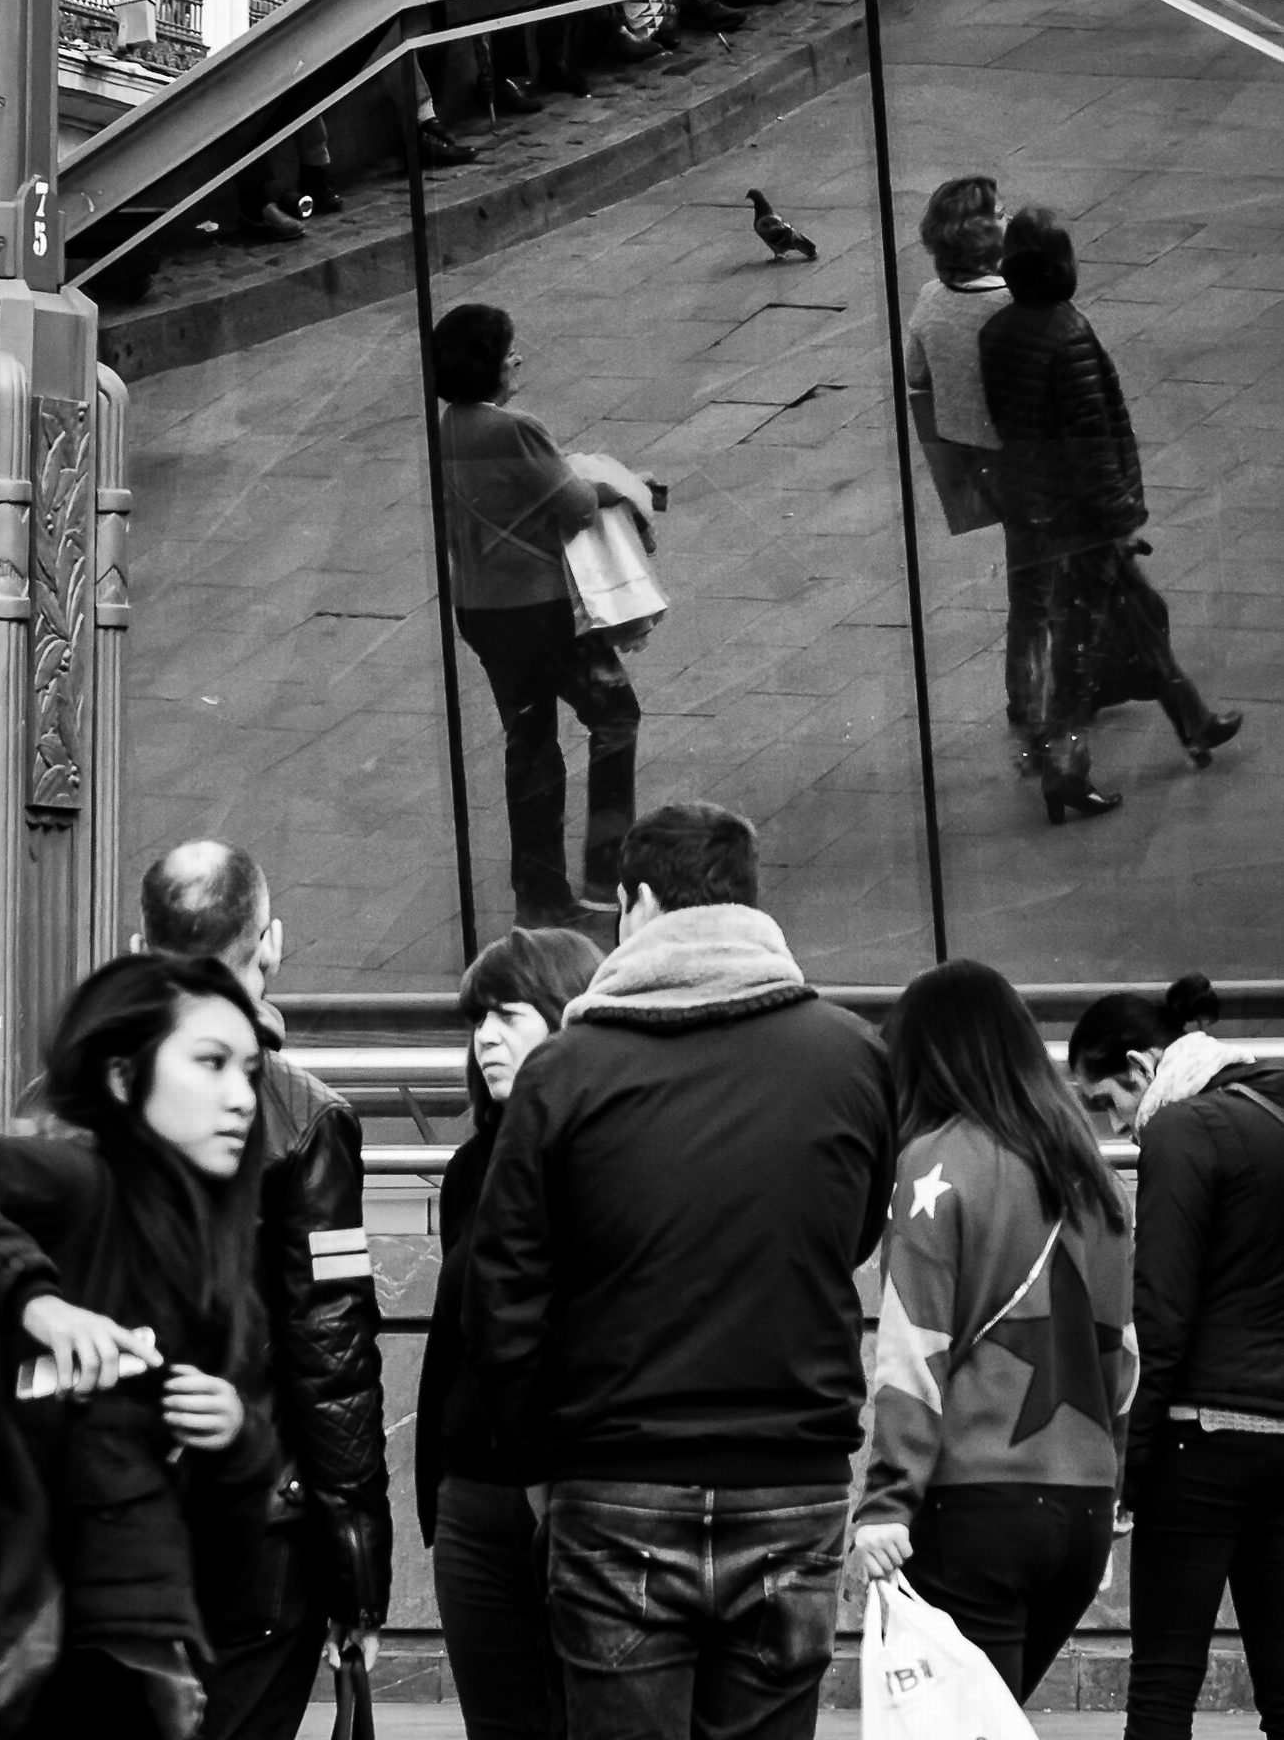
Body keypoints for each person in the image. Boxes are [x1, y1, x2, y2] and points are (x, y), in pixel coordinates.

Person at [463, 801, 897, 1740]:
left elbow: (500, 1294)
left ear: (640, 904)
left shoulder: (567, 1069)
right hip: (794, 1480)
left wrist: (541, 1465)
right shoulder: (853, 1056)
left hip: (616, 1485)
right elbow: (853, 1235)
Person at [0, 951, 277, 1740]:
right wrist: (36, 1300)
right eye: (209, 1063)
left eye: (249, 1071)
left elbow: (232, 1568)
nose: (240, 1098)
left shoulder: (217, 1259)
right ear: (124, 1079)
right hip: (30, 1636)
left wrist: (237, 1436)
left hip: (130, 1639)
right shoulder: (79, 1181)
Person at [138, 841, 392, 1740]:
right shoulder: (304, 1117)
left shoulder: (61, 1099)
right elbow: (333, 1364)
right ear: (270, 944)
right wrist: (358, 1571)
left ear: (141, 944)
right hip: (255, 1543)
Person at [852, 960, 1136, 1705]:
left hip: (973, 1504)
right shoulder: (1092, 1175)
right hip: (1080, 1506)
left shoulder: (934, 1164)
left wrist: (884, 1501)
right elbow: (1123, 1352)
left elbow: (913, 1347)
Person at [979, 209, 1241, 823]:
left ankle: (1193, 718)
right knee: (1077, 649)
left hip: (1032, 508)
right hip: (1082, 520)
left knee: (1142, 611)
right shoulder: (1069, 335)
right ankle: (1064, 773)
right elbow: (1091, 442)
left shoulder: (998, 333)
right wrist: (1119, 518)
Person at [415, 926, 602, 1740]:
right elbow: (456, 1339)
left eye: (508, 1014)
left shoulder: (610, 1155)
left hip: (580, 1498)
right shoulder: (468, 1168)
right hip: (473, 1500)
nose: (485, 1037)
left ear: (566, 1020)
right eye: (476, 1019)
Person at [435, 302, 653, 928]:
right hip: (541, 611)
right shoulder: (515, 429)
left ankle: (538, 892)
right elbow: (578, 505)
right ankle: (603, 878)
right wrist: (610, 482)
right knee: (615, 717)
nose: (517, 359)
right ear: (487, 364)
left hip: (482, 611)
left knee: (529, 742)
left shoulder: (448, 427)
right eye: (509, 351)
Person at [1110, 1031, 1284, 1740]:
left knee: (1163, 1682)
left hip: (1200, 1434)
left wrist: (1129, 1459)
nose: (1121, 1126)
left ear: (1142, 1068)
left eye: (1112, 1100)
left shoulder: (1185, 1129)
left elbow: (1160, 1311)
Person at [905, 177, 1025, 743]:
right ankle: (1030, 695)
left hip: (971, 457)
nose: (1008, 218)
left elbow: (915, 375)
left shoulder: (931, 297)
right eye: (1000, 212)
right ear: (982, 233)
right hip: (1027, 458)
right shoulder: (1013, 301)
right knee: (1039, 583)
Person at [1068, 974, 1220, 1135]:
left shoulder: (1178, 1143)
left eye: (1109, 1101)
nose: (1117, 1127)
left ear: (1141, 1068)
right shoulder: (1241, 1076)